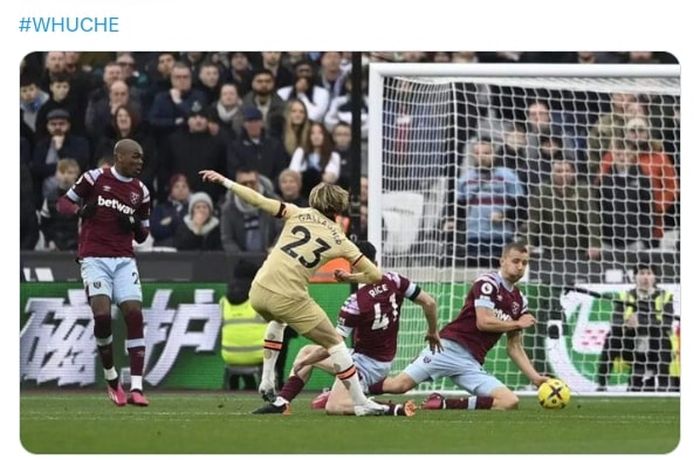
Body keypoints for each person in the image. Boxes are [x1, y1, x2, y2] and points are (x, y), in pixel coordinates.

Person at [199, 169, 390, 416]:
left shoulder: (297, 212)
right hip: (288, 295)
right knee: (335, 343)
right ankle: (360, 402)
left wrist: (225, 181)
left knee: (278, 321)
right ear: (338, 207)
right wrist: (350, 277)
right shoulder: (339, 238)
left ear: (314, 201)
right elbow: (375, 275)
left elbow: (257, 200)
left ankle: (267, 379)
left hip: (258, 290)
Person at [253, 241, 441, 416]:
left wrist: (303, 363)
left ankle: (393, 409)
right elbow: (429, 302)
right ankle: (282, 402)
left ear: (352, 264)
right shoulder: (395, 280)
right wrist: (433, 331)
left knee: (333, 405)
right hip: (382, 361)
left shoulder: (355, 303)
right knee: (306, 352)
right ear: (375, 261)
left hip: (364, 365)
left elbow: (334, 344)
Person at [367, 241, 549, 411]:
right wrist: (517, 323)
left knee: (509, 402)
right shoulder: (487, 283)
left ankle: (442, 404)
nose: (520, 267)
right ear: (502, 261)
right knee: (399, 386)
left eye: (524, 263)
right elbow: (483, 322)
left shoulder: (519, 301)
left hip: (471, 362)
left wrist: (535, 377)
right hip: (446, 349)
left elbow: (514, 347)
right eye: (515, 261)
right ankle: (356, 391)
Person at [56, 138, 151, 406]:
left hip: (124, 260)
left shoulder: (140, 191)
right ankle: (111, 379)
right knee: (102, 316)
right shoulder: (94, 178)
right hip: (94, 257)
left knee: (133, 312)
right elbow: (62, 204)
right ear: (119, 157)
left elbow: (143, 234)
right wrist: (80, 210)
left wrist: (132, 222)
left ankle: (137, 388)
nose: (139, 162)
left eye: (141, 158)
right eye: (135, 157)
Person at [597, 264, 675, 392]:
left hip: (654, 344)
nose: (645, 277)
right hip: (630, 343)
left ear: (654, 277)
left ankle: (663, 384)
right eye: (642, 273)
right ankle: (601, 384)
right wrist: (626, 324)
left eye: (649, 273)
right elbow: (615, 320)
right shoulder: (625, 296)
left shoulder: (665, 296)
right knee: (612, 336)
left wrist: (641, 322)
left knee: (662, 338)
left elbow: (667, 322)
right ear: (634, 277)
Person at [219, 168, 281, 254]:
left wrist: (274, 250)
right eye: (244, 184)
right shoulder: (228, 208)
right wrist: (240, 257)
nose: (248, 187)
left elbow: (283, 229)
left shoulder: (274, 202)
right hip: (241, 261)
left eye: (252, 183)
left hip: (271, 257)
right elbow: (227, 239)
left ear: (258, 182)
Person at [289, 122, 342, 196]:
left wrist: (307, 175)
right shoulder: (300, 152)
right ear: (309, 136)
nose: (316, 136)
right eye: (312, 133)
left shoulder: (333, 155)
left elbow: (330, 178)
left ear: (325, 136)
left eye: (320, 133)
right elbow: (293, 174)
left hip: (324, 193)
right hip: (302, 192)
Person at [39, 158, 81, 250]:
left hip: (77, 246)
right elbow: (44, 223)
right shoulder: (50, 197)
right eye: (62, 172)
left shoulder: (83, 198)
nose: (65, 176)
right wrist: (49, 240)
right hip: (55, 245)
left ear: (76, 175)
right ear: (56, 174)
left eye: (70, 172)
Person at [150, 174, 190, 247]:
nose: (181, 189)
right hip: (163, 248)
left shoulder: (192, 209)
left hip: (186, 250)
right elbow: (155, 231)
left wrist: (170, 222)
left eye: (184, 186)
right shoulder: (160, 209)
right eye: (176, 186)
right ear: (171, 190)